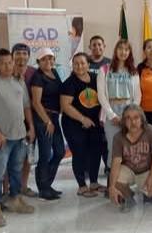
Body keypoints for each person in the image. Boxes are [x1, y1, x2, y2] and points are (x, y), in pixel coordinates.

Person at [0, 49, 36, 227]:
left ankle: (15, 199)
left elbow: (26, 106)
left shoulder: (19, 82)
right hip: (0, 139)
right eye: (3, 63)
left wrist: (31, 127)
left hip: (20, 135)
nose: (8, 66)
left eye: (10, 62)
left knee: (16, 170)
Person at [61, 52, 105, 197]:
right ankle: (82, 186)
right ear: (72, 66)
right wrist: (82, 119)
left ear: (88, 64)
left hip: (94, 123)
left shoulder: (96, 78)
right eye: (76, 63)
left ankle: (94, 182)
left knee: (96, 151)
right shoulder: (69, 83)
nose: (79, 66)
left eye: (82, 63)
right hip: (74, 124)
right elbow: (65, 106)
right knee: (79, 153)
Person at [97, 39, 141, 177]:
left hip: (129, 112)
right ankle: (113, 181)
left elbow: (137, 95)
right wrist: (112, 115)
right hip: (111, 111)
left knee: (129, 147)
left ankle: (126, 180)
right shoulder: (104, 69)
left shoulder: (133, 71)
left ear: (130, 53)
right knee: (113, 147)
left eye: (126, 49)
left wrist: (130, 115)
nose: (123, 52)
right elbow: (101, 95)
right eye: (120, 48)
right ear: (115, 50)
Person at [108, 104, 152, 212]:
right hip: (129, 169)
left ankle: (146, 192)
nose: (132, 122)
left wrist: (151, 177)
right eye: (128, 118)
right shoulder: (118, 137)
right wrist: (111, 186)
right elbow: (116, 162)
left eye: (136, 117)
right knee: (115, 182)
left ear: (142, 119)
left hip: (146, 170)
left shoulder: (151, 131)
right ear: (124, 121)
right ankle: (128, 196)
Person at [30, 47, 65, 200]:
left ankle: (46, 185)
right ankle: (43, 189)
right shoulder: (38, 77)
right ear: (38, 62)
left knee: (60, 151)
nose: (48, 61)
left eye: (50, 58)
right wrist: (47, 121)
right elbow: (36, 103)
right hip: (43, 118)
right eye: (44, 59)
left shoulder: (54, 72)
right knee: (45, 154)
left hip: (54, 117)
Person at [11, 43, 37, 198]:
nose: (21, 56)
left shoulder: (34, 73)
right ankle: (9, 190)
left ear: (29, 56)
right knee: (11, 157)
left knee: (27, 156)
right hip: (10, 121)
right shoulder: (6, 71)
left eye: (24, 53)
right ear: (12, 55)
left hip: (30, 120)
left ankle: (23, 186)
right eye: (18, 53)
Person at [87, 35, 112, 173]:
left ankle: (108, 166)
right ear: (90, 47)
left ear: (104, 46)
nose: (97, 47)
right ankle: (89, 168)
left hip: (105, 107)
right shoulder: (85, 62)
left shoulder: (110, 63)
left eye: (99, 44)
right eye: (94, 45)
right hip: (88, 106)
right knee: (91, 139)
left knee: (106, 138)